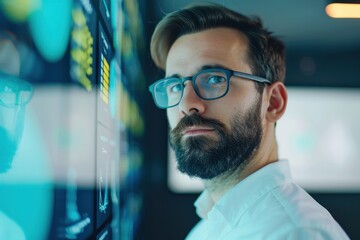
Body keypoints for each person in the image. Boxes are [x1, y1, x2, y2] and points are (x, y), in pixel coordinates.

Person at [148, 3, 349, 240]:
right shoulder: (210, 225)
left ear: (273, 103)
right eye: (174, 86)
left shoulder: (295, 232)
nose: (187, 104)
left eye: (214, 79)